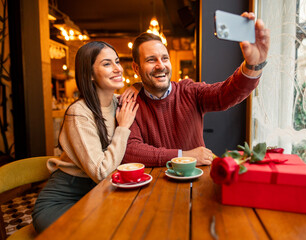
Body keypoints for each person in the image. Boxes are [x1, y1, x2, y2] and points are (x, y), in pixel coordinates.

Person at [122, 12, 270, 166]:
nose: (160, 65)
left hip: (196, 185)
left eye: (165, 58)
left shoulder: (189, 91)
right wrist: (183, 156)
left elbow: (227, 93)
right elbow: (131, 151)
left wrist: (253, 66)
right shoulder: (130, 104)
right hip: (155, 189)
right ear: (136, 68)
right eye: (151, 60)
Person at [32, 41, 139, 233]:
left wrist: (138, 85)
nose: (117, 69)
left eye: (117, 61)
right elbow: (100, 173)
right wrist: (123, 127)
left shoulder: (118, 103)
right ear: (89, 74)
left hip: (98, 196)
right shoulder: (79, 113)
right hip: (63, 201)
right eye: (107, 64)